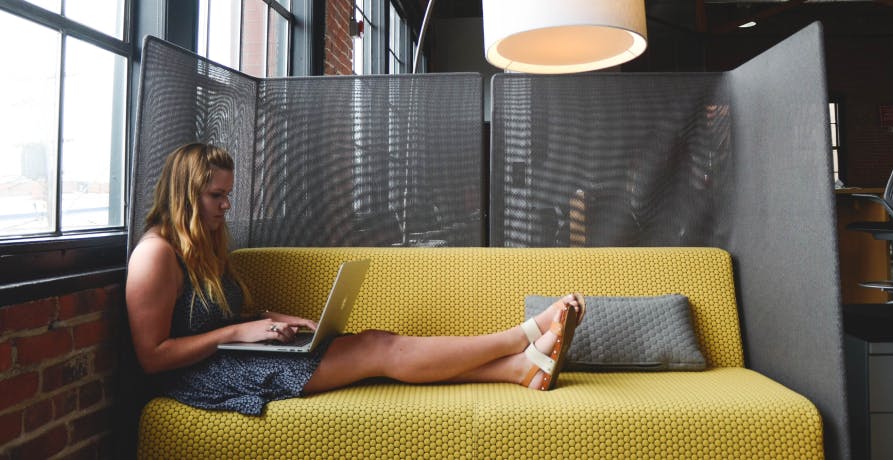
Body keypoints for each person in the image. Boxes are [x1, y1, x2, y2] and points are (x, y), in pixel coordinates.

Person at [125, 142, 585, 416]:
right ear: (185, 193)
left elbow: (213, 318)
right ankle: (519, 336)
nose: (226, 206)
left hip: (233, 357)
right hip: (204, 379)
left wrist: (267, 321)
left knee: (376, 341)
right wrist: (236, 332)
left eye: (227, 194)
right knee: (377, 348)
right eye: (215, 195)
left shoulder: (203, 242)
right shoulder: (155, 256)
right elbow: (152, 357)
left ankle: (519, 369)